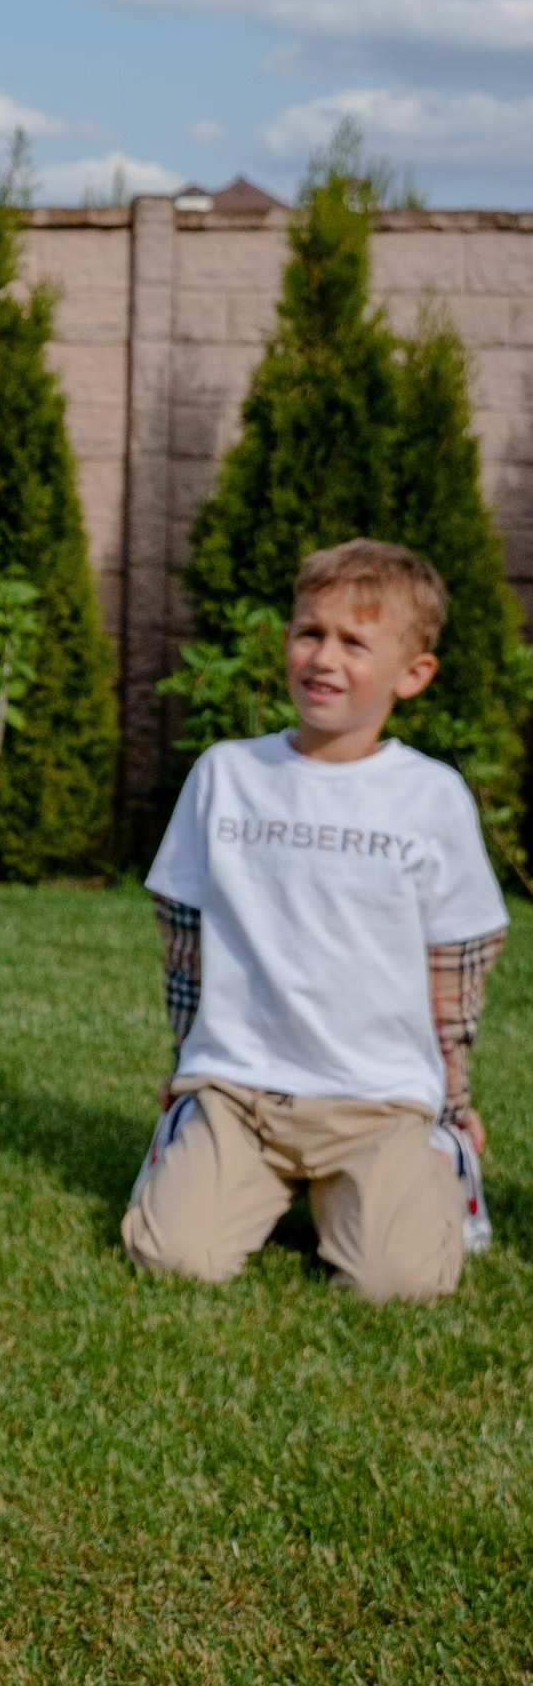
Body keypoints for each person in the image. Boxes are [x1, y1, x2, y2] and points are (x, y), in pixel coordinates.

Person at [126, 540, 508, 1306]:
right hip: (243, 1091)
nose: (323, 657)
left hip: (379, 1102)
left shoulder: (429, 797)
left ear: (412, 674)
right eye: (310, 632)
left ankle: (433, 1164)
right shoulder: (227, 776)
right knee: (174, 1261)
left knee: (398, 1284)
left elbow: (458, 960)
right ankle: (198, 1145)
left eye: (353, 642)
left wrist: (454, 1103)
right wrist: (185, 1064)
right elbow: (184, 937)